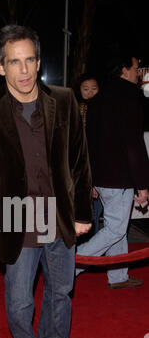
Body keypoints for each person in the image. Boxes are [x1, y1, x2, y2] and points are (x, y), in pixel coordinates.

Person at [0, 25, 93, 338]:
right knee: (20, 298)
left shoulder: (65, 99)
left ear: (38, 63)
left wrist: (83, 212)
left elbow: (79, 160)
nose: (23, 71)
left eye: (29, 61)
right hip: (15, 217)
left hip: (59, 214)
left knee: (61, 290)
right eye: (14, 62)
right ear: (1, 67)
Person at [76, 56, 149, 288]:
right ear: (124, 70)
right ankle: (70, 265)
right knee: (116, 229)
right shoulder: (128, 97)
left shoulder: (99, 99)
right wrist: (143, 183)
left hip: (102, 176)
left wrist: (92, 179)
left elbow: (90, 142)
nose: (139, 73)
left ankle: (118, 276)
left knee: (116, 227)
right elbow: (133, 143)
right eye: (136, 68)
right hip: (119, 178)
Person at [75, 73, 102, 235]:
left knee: (96, 212)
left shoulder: (104, 108)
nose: (90, 93)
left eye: (94, 89)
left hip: (97, 166)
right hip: (82, 165)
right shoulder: (77, 108)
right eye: (86, 89)